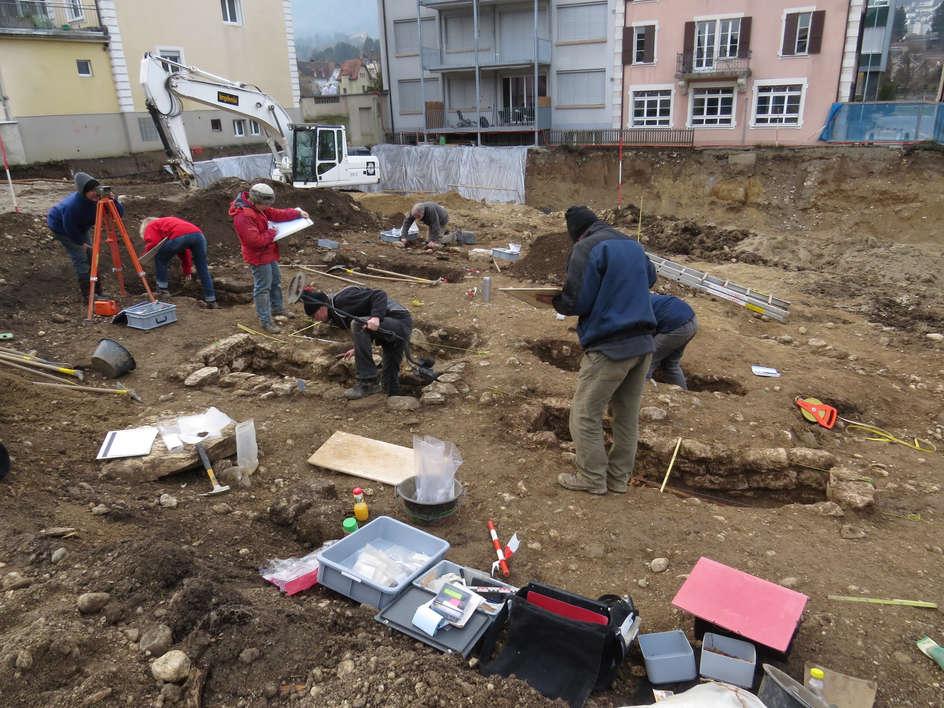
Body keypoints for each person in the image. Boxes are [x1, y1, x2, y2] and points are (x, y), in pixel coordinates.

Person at [549, 206, 657, 496]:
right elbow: (650, 278)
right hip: (644, 342)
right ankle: (618, 479)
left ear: (574, 231)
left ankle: (592, 478)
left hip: (611, 345)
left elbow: (576, 301)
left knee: (585, 413)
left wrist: (555, 301)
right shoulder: (631, 244)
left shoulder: (586, 247)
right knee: (626, 416)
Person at [300, 286, 412, 400]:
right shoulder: (335, 313)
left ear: (322, 307)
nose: (316, 319)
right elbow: (366, 325)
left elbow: (379, 294)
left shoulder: (342, 300)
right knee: (389, 382)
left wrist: (376, 317)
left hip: (398, 320)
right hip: (388, 325)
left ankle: (367, 382)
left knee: (357, 324)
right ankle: (394, 400)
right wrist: (358, 348)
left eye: (314, 315)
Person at [229, 183, 308, 333]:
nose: (267, 208)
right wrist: (271, 233)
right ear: (255, 201)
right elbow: (254, 241)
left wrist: (296, 213)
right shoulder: (243, 216)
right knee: (262, 288)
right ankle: (265, 320)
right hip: (258, 256)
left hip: (268, 252)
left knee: (276, 281)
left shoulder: (257, 208)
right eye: (265, 205)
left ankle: (277, 309)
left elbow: (276, 213)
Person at [47, 172, 124, 299]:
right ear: (84, 192)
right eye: (91, 191)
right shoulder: (72, 206)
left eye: (96, 190)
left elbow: (118, 214)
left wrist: (113, 200)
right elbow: (69, 228)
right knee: (81, 257)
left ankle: (98, 291)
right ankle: (88, 295)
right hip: (61, 227)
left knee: (92, 256)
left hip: (82, 225)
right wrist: (80, 243)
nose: (95, 193)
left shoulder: (98, 200)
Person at [139, 216, 218, 308]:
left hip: (180, 236)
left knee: (160, 258)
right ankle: (211, 301)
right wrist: (187, 270)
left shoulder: (150, 225)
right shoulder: (171, 224)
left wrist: (145, 254)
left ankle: (162, 290)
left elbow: (154, 243)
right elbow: (184, 252)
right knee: (202, 269)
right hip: (199, 236)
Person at [648, 294, 698, 390]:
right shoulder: (642, 299)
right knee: (670, 364)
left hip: (675, 325)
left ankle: (644, 391)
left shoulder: (632, 310)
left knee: (646, 360)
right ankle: (684, 395)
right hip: (691, 320)